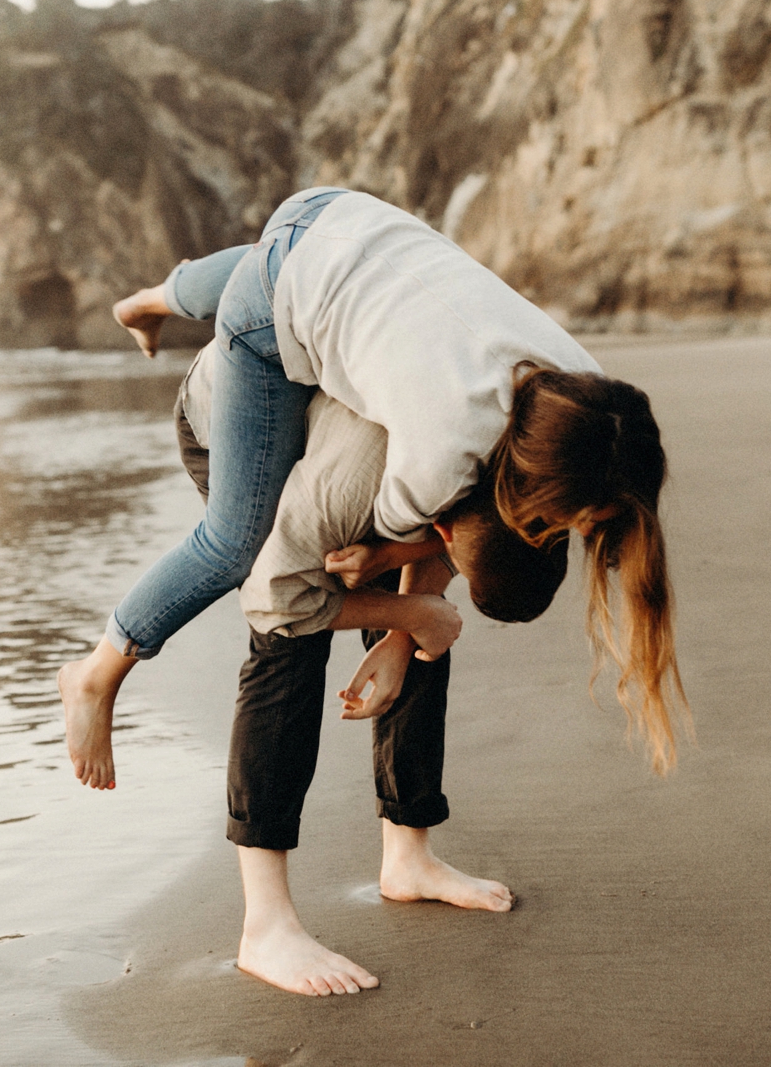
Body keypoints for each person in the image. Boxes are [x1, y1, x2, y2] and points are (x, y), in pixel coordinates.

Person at [59, 186, 683, 797]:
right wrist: (401, 608)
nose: (570, 532)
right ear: (537, 481)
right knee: (234, 540)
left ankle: (151, 300)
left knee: (271, 255)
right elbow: (388, 546)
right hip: (266, 321)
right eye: (569, 518)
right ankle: (97, 672)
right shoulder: (443, 450)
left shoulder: (585, 394)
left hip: (337, 219)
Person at [174, 345, 568, 996]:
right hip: (239, 418)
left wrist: (404, 625)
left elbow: (445, 535)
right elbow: (280, 599)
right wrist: (411, 609)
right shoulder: (369, 478)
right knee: (288, 647)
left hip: (361, 431)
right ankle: (266, 927)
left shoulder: (490, 461)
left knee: (425, 623)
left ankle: (408, 858)